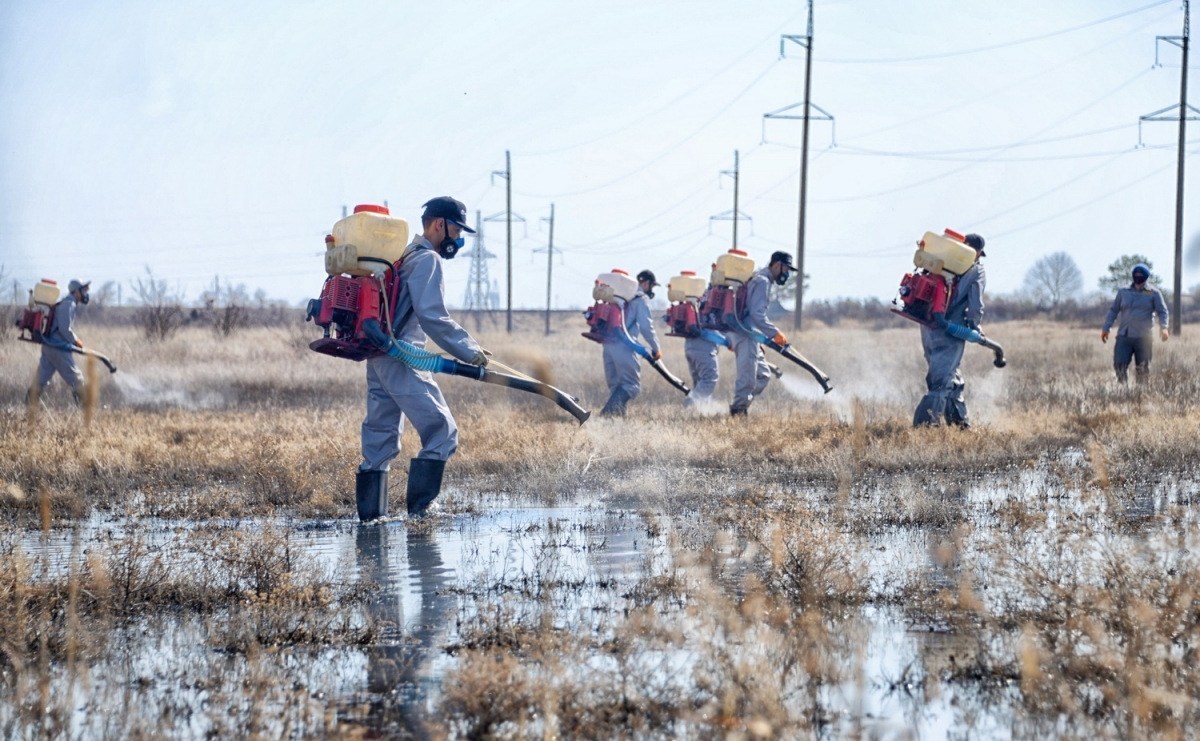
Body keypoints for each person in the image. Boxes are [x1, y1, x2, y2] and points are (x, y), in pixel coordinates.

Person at [358, 196, 489, 519]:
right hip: (402, 357)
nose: (458, 240)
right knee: (442, 432)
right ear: (439, 224)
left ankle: (371, 520)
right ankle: (421, 513)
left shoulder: (402, 256)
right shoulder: (427, 260)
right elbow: (433, 317)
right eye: (457, 231)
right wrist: (470, 350)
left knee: (380, 440)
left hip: (379, 357)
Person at [914, 233, 986, 427]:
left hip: (927, 326)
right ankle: (924, 429)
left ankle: (959, 425)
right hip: (949, 330)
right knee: (941, 382)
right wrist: (974, 327)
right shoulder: (976, 270)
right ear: (977, 252)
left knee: (948, 376)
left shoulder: (942, 259)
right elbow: (976, 306)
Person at [728, 251, 793, 416]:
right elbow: (757, 314)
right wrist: (775, 334)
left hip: (751, 334)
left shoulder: (761, 279)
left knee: (763, 375)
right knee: (748, 378)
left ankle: (741, 403)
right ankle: (738, 412)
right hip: (746, 333)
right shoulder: (763, 281)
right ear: (777, 265)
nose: (787, 274)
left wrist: (761, 339)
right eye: (786, 269)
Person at [600, 269, 661, 416]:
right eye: (651, 286)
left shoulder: (617, 296)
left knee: (616, 387)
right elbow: (646, 327)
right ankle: (605, 415)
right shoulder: (640, 298)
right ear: (646, 283)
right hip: (624, 346)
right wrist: (656, 348)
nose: (651, 290)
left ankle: (616, 422)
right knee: (631, 385)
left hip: (608, 345)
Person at [1101, 263, 1168, 384]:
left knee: (1142, 369)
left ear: (1146, 276)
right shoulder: (1123, 292)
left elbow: (1162, 312)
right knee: (1119, 364)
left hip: (1143, 337)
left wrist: (1164, 328)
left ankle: (1140, 394)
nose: (1137, 276)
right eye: (1135, 274)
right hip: (1124, 336)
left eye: (1140, 274)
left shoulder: (1154, 293)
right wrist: (1106, 328)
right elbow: (1113, 310)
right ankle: (1122, 390)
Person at [34, 279, 89, 404]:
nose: (86, 294)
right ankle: (84, 410)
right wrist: (76, 341)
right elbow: (64, 329)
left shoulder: (66, 303)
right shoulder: (69, 304)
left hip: (49, 346)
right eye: (84, 290)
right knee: (77, 379)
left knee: (40, 380)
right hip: (57, 346)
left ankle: (28, 407)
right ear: (76, 291)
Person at [683, 288, 720, 406]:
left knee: (700, 381)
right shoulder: (715, 299)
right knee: (710, 378)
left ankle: (701, 411)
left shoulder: (697, 298)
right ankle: (691, 402)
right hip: (704, 346)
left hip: (690, 346)